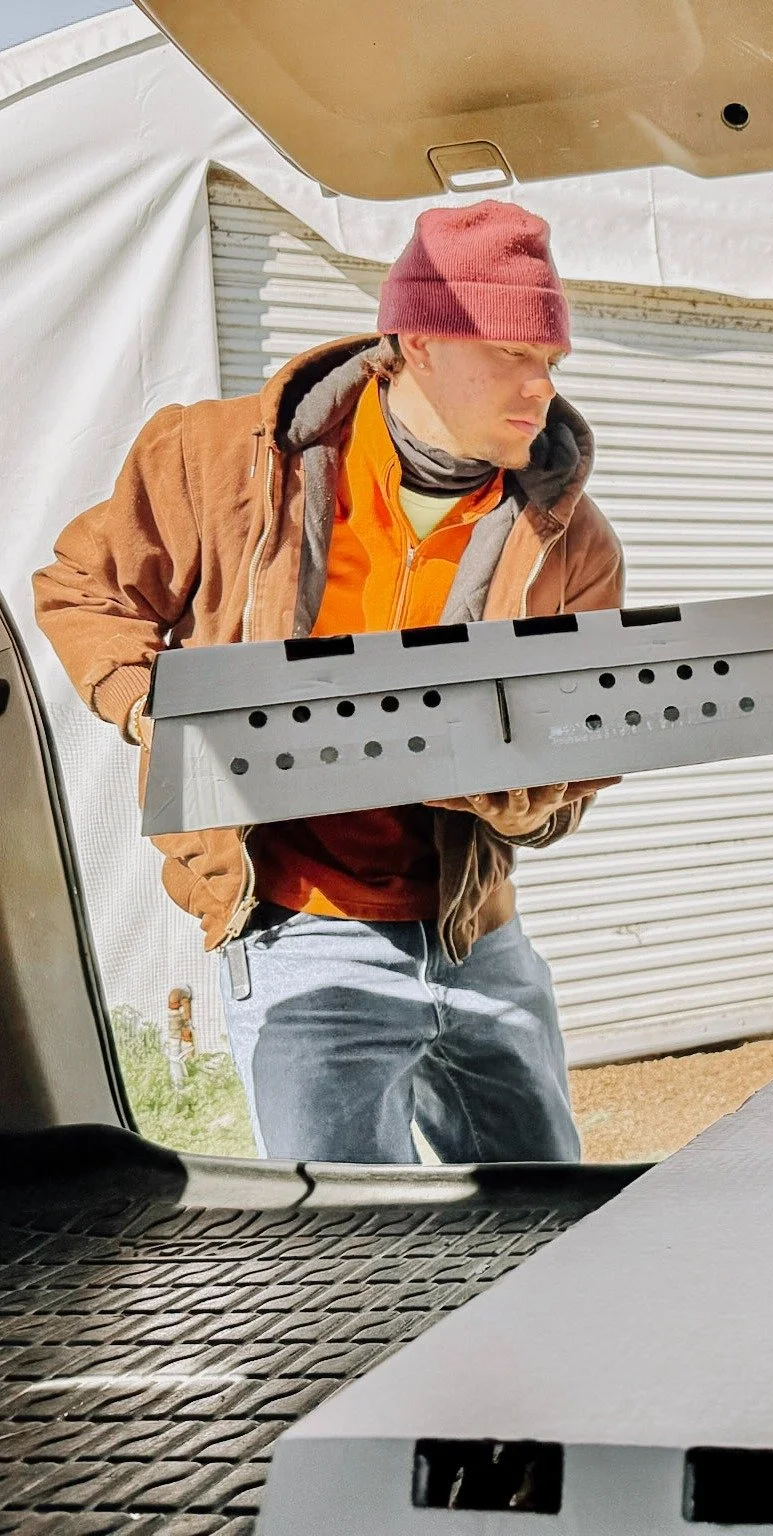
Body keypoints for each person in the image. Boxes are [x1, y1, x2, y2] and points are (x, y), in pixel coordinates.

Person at [35, 202, 624, 1162]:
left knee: (550, 1224)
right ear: (419, 343)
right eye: (513, 354)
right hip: (300, 935)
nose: (540, 389)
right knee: (344, 1258)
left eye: (551, 361)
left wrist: (507, 784)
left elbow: (576, 773)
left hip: (479, 934)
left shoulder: (571, 539)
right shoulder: (216, 461)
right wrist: (155, 714)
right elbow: (85, 590)